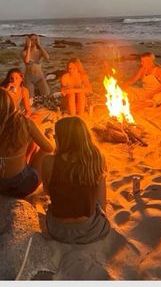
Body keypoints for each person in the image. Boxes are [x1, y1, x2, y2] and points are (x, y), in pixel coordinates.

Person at [42, 116, 110, 244]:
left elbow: (47, 191)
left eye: (57, 135)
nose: (55, 137)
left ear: (64, 139)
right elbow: (101, 204)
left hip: (58, 230)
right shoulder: (97, 159)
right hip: (89, 231)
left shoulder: (48, 161)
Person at [0, 88, 54, 198]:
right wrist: (50, 137)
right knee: (47, 149)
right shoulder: (24, 122)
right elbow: (49, 148)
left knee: (31, 143)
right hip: (21, 186)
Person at [21, 34, 50, 102]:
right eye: (32, 40)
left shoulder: (39, 52)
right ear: (28, 41)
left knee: (47, 94)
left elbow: (47, 57)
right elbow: (27, 61)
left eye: (35, 39)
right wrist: (28, 46)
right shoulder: (24, 52)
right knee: (30, 99)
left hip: (40, 77)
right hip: (29, 78)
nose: (34, 41)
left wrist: (39, 45)